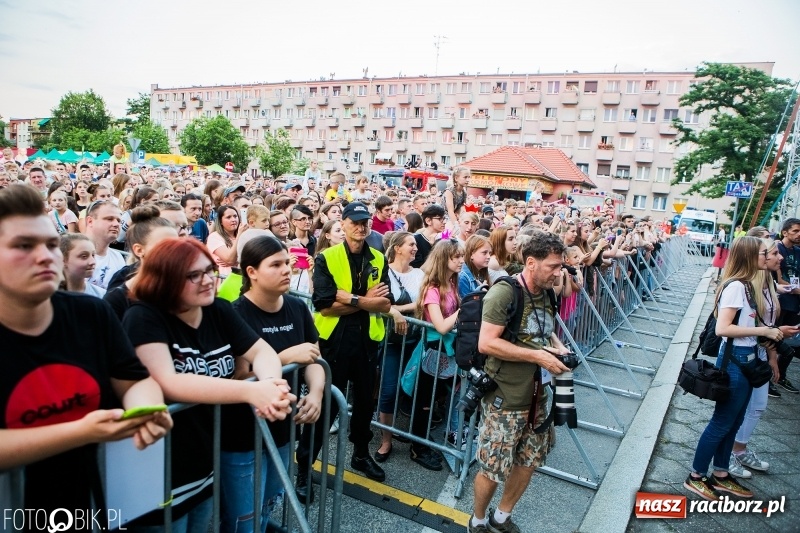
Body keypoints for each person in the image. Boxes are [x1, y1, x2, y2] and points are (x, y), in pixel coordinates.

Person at [0, 183, 172, 513]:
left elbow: (134, 380)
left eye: (52, 244)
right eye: (23, 245)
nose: (45, 256)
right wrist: (80, 432)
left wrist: (146, 410)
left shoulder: (90, 312)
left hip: (87, 504)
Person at [122, 238, 294, 531]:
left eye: (209, 271)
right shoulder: (143, 317)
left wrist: (271, 385)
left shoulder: (218, 310)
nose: (207, 280)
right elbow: (168, 381)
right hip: (163, 463)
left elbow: (262, 352)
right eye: (193, 275)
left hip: (206, 456)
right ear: (165, 278)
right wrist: (252, 391)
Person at [469, 231, 571, 533]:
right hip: (506, 398)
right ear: (530, 263)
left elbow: (543, 330)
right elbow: (487, 343)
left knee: (529, 460)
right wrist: (538, 356)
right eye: (553, 266)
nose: (558, 272)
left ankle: (502, 516)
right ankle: (477, 520)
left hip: (537, 398)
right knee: (493, 467)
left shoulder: (547, 292)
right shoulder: (504, 293)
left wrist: (557, 347)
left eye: (560, 265)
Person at [226, 236, 326, 533]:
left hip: (283, 429)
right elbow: (239, 377)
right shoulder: (235, 313)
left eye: (286, 263)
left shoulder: (296, 307)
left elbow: (315, 358)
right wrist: (285, 358)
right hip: (243, 435)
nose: (286, 270)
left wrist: (316, 394)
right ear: (251, 272)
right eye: (276, 265)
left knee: (268, 503)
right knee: (243, 518)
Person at [295, 201, 393, 503]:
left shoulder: (378, 257)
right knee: (325, 409)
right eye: (355, 222)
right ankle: (304, 469)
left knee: (364, 406)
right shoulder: (327, 257)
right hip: (334, 345)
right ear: (345, 223)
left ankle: (360, 455)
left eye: (365, 222)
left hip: (366, 344)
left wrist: (349, 298)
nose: (361, 227)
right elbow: (324, 305)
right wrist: (364, 300)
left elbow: (385, 302)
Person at [684, 236, 786, 502]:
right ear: (750, 256)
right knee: (722, 422)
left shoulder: (747, 285)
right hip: (735, 361)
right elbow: (723, 328)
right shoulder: (736, 287)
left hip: (746, 359)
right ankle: (696, 476)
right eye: (764, 253)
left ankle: (720, 473)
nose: (769, 256)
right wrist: (764, 331)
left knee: (735, 420)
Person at [728, 238, 790, 479]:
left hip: (761, 353)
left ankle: (739, 450)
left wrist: (772, 355)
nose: (780, 257)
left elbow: (768, 325)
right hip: (742, 355)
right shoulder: (742, 286)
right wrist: (774, 332)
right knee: (733, 410)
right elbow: (732, 328)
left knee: (758, 406)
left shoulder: (769, 282)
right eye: (772, 253)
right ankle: (726, 457)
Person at [376, 232, 423, 463]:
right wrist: (393, 311)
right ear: (397, 248)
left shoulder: (419, 274)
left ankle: (411, 437)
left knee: (413, 391)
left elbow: (423, 303)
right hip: (391, 342)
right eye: (411, 244)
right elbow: (378, 303)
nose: (416, 248)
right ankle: (386, 440)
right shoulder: (383, 272)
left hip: (415, 342)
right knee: (388, 390)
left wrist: (398, 310)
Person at [774, 218, 800, 396]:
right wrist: (796, 290)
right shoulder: (778, 249)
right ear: (785, 232)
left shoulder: (798, 251)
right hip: (780, 301)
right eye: (795, 231)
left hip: (794, 303)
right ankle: (769, 376)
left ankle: (780, 376)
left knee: (790, 340)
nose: (799, 235)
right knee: (773, 338)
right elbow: (778, 279)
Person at [84, 200, 126, 290]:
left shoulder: (118, 258)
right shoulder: (72, 253)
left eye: (119, 220)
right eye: (109, 219)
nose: (116, 224)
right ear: (90, 221)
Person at [59, 233, 106, 297]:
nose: (92, 262)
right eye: (84, 256)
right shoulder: (48, 295)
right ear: (63, 259)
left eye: (93, 255)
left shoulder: (102, 295)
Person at [207, 205, 241, 277]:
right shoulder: (214, 237)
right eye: (228, 217)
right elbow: (229, 259)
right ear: (220, 221)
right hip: (224, 278)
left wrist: (236, 261)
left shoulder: (242, 235)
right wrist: (239, 235)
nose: (233, 220)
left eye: (235, 216)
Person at [411, 204, 445, 268]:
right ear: (428, 221)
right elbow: (419, 269)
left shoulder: (443, 239)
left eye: (444, 218)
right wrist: (434, 249)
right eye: (440, 219)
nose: (444, 222)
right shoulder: (415, 240)